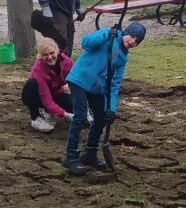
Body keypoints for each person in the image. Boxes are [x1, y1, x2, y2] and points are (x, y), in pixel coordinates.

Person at [62, 22, 147, 176]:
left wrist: (111, 108)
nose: (133, 41)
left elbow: (114, 84)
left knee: (101, 118)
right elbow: (85, 43)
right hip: (79, 79)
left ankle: (90, 154)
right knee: (80, 116)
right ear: (126, 32)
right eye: (132, 36)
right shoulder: (109, 36)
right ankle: (70, 156)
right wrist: (106, 34)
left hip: (97, 89)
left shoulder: (123, 58)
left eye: (137, 41)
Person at [22, 37, 74, 132]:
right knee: (31, 84)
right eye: (45, 55)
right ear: (40, 56)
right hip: (38, 95)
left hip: (56, 92)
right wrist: (66, 115)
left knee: (73, 104)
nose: (49, 57)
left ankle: (49, 111)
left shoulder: (67, 62)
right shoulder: (38, 69)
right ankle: (35, 118)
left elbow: (76, 81)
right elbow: (46, 99)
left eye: (52, 53)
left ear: (57, 51)